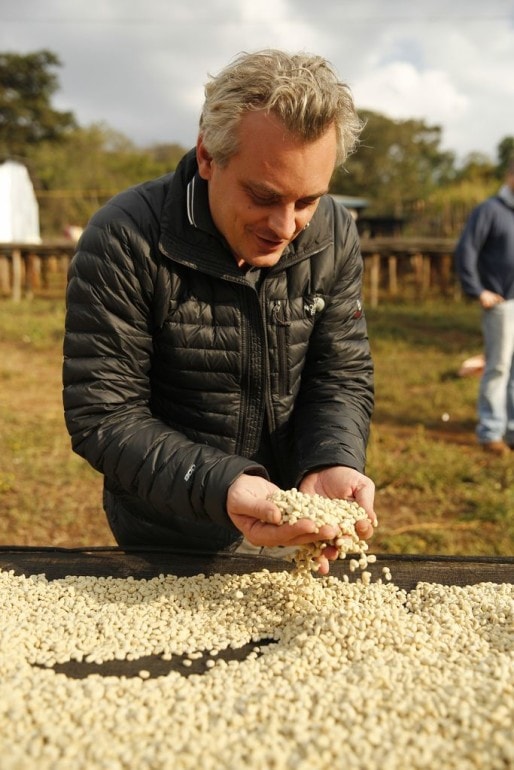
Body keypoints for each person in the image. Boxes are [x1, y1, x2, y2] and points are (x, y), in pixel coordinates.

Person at [63, 49, 376, 574]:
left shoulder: (336, 231)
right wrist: (222, 484)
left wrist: (332, 459)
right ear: (208, 156)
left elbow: (340, 373)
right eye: (263, 195)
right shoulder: (123, 237)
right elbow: (105, 413)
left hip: (295, 517)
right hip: (166, 526)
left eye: (307, 201)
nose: (285, 226)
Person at [455, 159, 514, 455]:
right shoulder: (490, 210)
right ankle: (490, 432)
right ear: (510, 175)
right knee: (499, 366)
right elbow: (466, 250)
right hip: (501, 303)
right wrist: (478, 290)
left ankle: (511, 430)